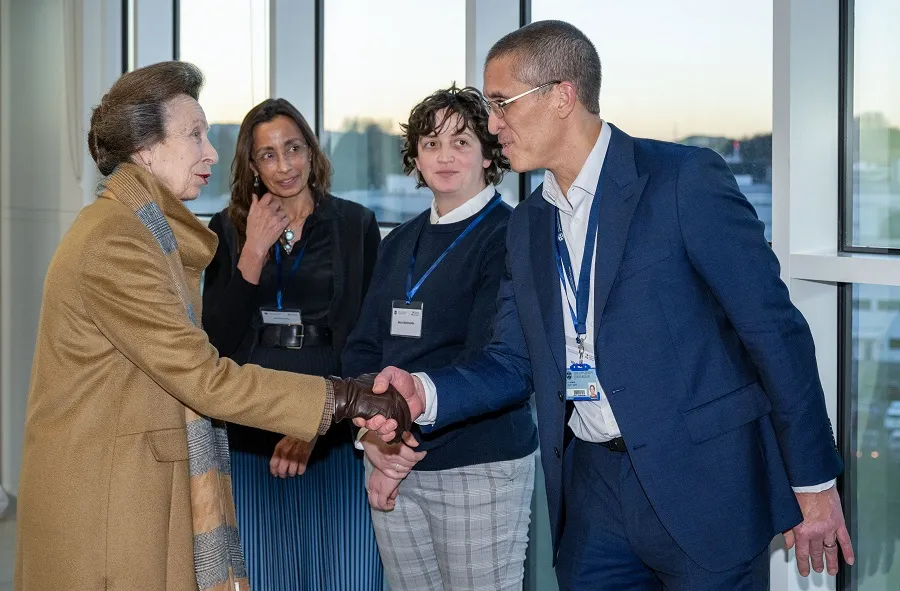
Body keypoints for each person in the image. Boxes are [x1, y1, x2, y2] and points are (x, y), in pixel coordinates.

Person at [364, 20, 856, 590]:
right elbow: (510, 360)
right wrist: (425, 391)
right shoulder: (527, 226)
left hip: (704, 487)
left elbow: (775, 332)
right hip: (594, 494)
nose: (493, 125)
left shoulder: (682, 181)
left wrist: (815, 481)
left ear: (562, 97)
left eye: (501, 104)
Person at [14, 61, 409, 591]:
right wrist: (343, 399)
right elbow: (204, 374)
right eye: (195, 134)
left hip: (135, 484)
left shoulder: (147, 232)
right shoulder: (119, 240)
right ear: (145, 149)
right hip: (108, 502)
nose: (212, 151)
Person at [342, 85, 538, 591]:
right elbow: (364, 347)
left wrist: (399, 441)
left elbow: (494, 364)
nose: (444, 156)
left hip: (478, 466)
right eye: (430, 144)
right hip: (390, 459)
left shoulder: (510, 236)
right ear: (415, 157)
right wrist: (374, 440)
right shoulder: (399, 241)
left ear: (489, 153)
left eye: (461, 141)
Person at [202, 97, 383, 591]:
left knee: (347, 574)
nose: (284, 166)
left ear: (311, 151)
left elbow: (366, 337)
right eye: (268, 155)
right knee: (263, 574)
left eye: (293, 148)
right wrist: (254, 250)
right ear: (251, 165)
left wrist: (316, 421)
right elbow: (217, 341)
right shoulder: (227, 228)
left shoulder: (355, 225)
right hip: (252, 412)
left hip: (334, 414)